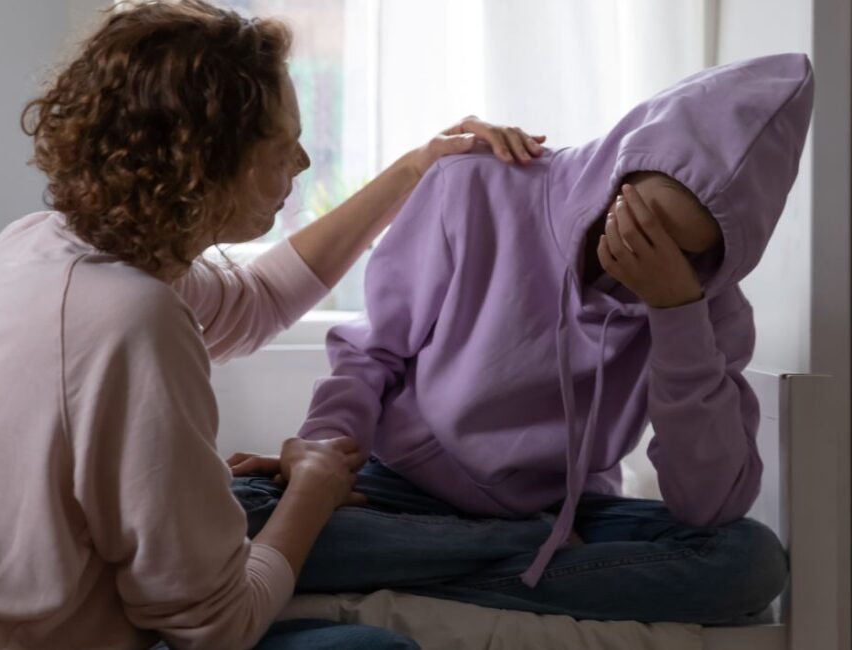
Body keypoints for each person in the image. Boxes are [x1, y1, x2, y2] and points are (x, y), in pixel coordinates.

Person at [0, 2, 542, 649]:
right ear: (209, 160)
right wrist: (313, 488)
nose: (303, 163)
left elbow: (258, 300)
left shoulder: (45, 241)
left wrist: (415, 169)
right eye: (282, 145)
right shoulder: (131, 318)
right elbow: (216, 629)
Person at [228, 53, 815, 624]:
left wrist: (675, 314)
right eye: (638, 222)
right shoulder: (475, 187)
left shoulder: (707, 310)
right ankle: (515, 557)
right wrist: (321, 456)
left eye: (682, 251)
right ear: (621, 168)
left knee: (748, 561)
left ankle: (457, 564)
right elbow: (369, 353)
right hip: (402, 488)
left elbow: (708, 505)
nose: (643, 254)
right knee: (233, 514)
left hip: (564, 511)